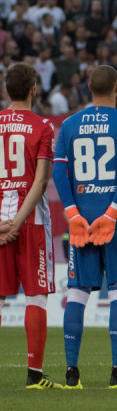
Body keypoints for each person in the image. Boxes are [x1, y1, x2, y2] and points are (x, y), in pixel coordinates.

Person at [52, 65, 117, 389]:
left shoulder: (68, 124)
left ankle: (71, 374)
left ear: (88, 86)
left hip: (81, 222)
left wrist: (73, 213)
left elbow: (59, 174)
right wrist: (113, 212)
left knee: (76, 293)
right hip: (115, 221)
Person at [0, 62, 59, 388]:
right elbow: (40, 182)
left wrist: (2, 226)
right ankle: (34, 375)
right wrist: (17, 223)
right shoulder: (43, 127)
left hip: (0, 216)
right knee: (36, 296)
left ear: (6, 89)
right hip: (30, 220)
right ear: (34, 89)